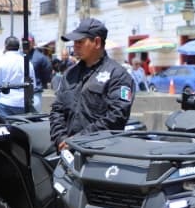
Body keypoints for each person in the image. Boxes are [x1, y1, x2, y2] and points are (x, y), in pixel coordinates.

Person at [49, 17, 135, 150]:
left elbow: (117, 116)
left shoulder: (118, 75)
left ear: (97, 42)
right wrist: (61, 138)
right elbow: (57, 110)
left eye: (80, 42)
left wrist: (80, 139)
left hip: (100, 153)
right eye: (75, 42)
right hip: (66, 150)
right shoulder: (70, 73)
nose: (75, 46)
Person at [0, 36, 28, 116]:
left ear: (5, 46)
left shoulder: (0, 61)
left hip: (4, 102)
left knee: (5, 127)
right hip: (22, 102)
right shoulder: (26, 62)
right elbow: (32, 82)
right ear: (18, 47)